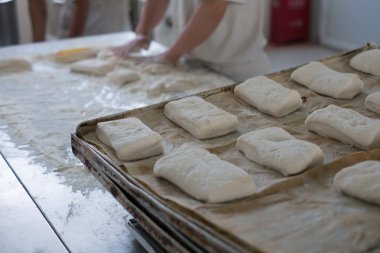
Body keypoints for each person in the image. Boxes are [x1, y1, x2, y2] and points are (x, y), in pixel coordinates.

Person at [112, 0, 271, 82]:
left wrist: (170, 55)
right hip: (192, 63)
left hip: (236, 69)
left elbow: (213, 7)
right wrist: (142, 32)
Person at [28, 0, 131, 41]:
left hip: (105, 22)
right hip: (73, 15)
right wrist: (37, 44)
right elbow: (36, 3)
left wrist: (71, 45)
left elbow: (82, 4)